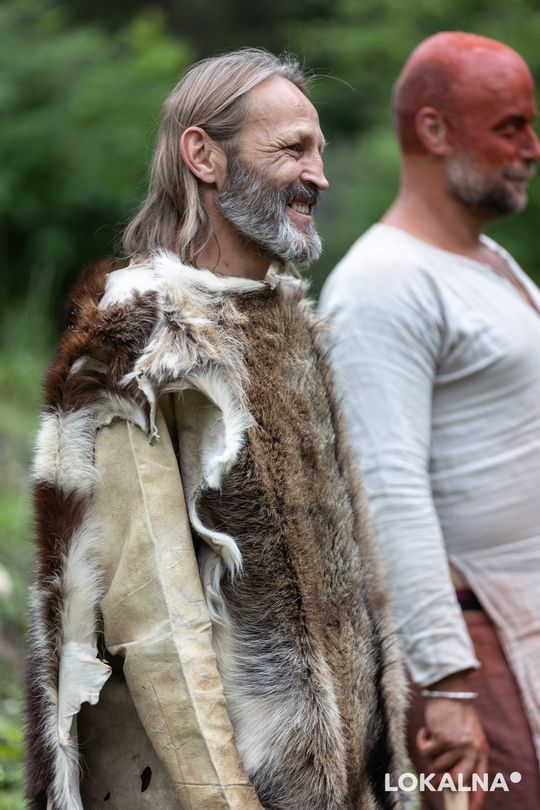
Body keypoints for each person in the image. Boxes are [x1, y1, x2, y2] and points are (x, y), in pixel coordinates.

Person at [25, 49, 406, 810]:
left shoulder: (289, 321)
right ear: (203, 155)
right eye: (292, 148)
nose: (319, 174)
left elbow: (359, 592)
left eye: (321, 149)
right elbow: (155, 624)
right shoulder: (144, 336)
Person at [320, 32, 540, 810]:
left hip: (518, 623)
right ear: (435, 130)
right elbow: (387, 491)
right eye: (511, 127)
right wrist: (447, 681)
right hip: (472, 641)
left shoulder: (488, 259)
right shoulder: (382, 283)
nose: (532, 148)